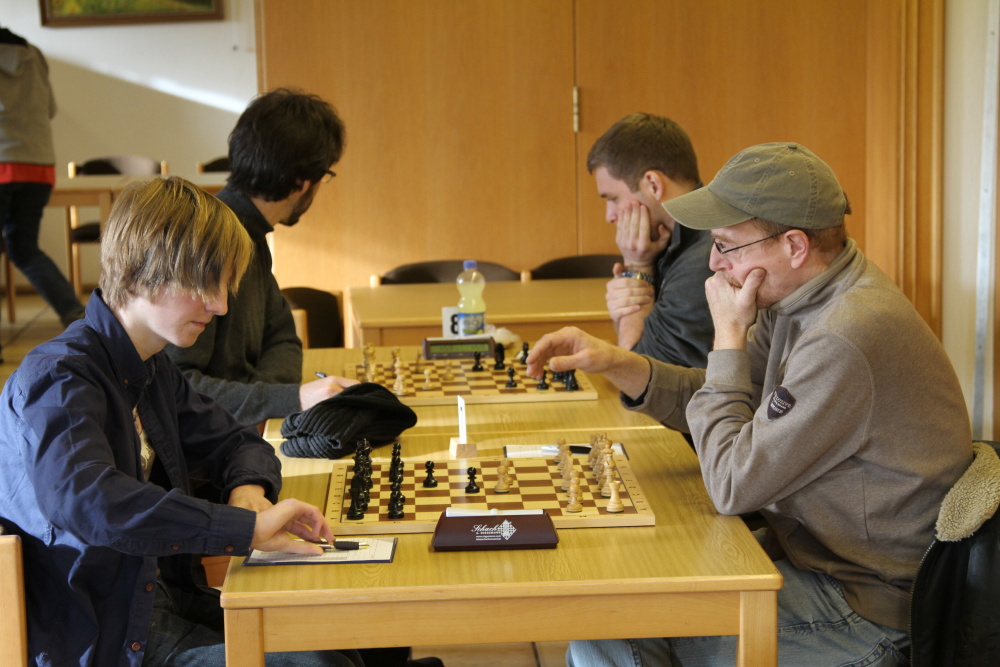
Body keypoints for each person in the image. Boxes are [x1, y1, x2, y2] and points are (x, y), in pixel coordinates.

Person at [527, 142, 973, 665]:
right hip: (812, 560)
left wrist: (729, 335)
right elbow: (726, 397)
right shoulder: (801, 297)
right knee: (608, 607)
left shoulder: (843, 335)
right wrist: (618, 363)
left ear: (794, 246)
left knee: (611, 624)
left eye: (726, 245)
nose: (714, 264)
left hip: (866, 608)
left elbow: (731, 484)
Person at [0, 177, 362, 666]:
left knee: (338, 634)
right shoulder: (58, 376)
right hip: (105, 640)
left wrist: (248, 490)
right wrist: (243, 528)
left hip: (162, 604)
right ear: (139, 273)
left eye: (224, 286)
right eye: (204, 285)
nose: (221, 305)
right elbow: (89, 502)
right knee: (317, 663)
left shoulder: (151, 367)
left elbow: (237, 442)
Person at [166, 88, 356, 427]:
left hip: (240, 430)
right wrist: (282, 399)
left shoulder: (252, 234)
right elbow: (176, 387)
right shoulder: (205, 242)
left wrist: (260, 399)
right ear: (303, 183)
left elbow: (283, 337)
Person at [587, 113, 714, 368]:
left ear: (653, 185)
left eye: (612, 198)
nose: (610, 216)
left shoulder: (705, 259)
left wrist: (636, 268)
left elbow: (639, 375)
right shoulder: (665, 242)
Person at [0, 26, 85, 330]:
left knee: (22, 246)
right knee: (25, 248)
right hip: (39, 164)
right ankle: (75, 314)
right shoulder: (34, 54)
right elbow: (50, 109)